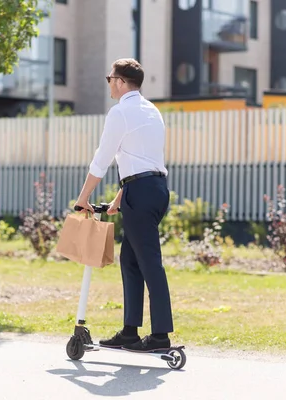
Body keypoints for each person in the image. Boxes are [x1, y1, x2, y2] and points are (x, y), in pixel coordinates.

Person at [74, 58, 173, 353]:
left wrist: (83, 199)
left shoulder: (120, 112)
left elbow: (103, 158)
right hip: (152, 190)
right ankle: (130, 332)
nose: (109, 85)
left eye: (109, 79)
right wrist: (119, 198)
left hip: (139, 193)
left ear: (119, 81)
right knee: (131, 260)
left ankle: (160, 337)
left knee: (150, 263)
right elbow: (142, 159)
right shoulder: (152, 111)